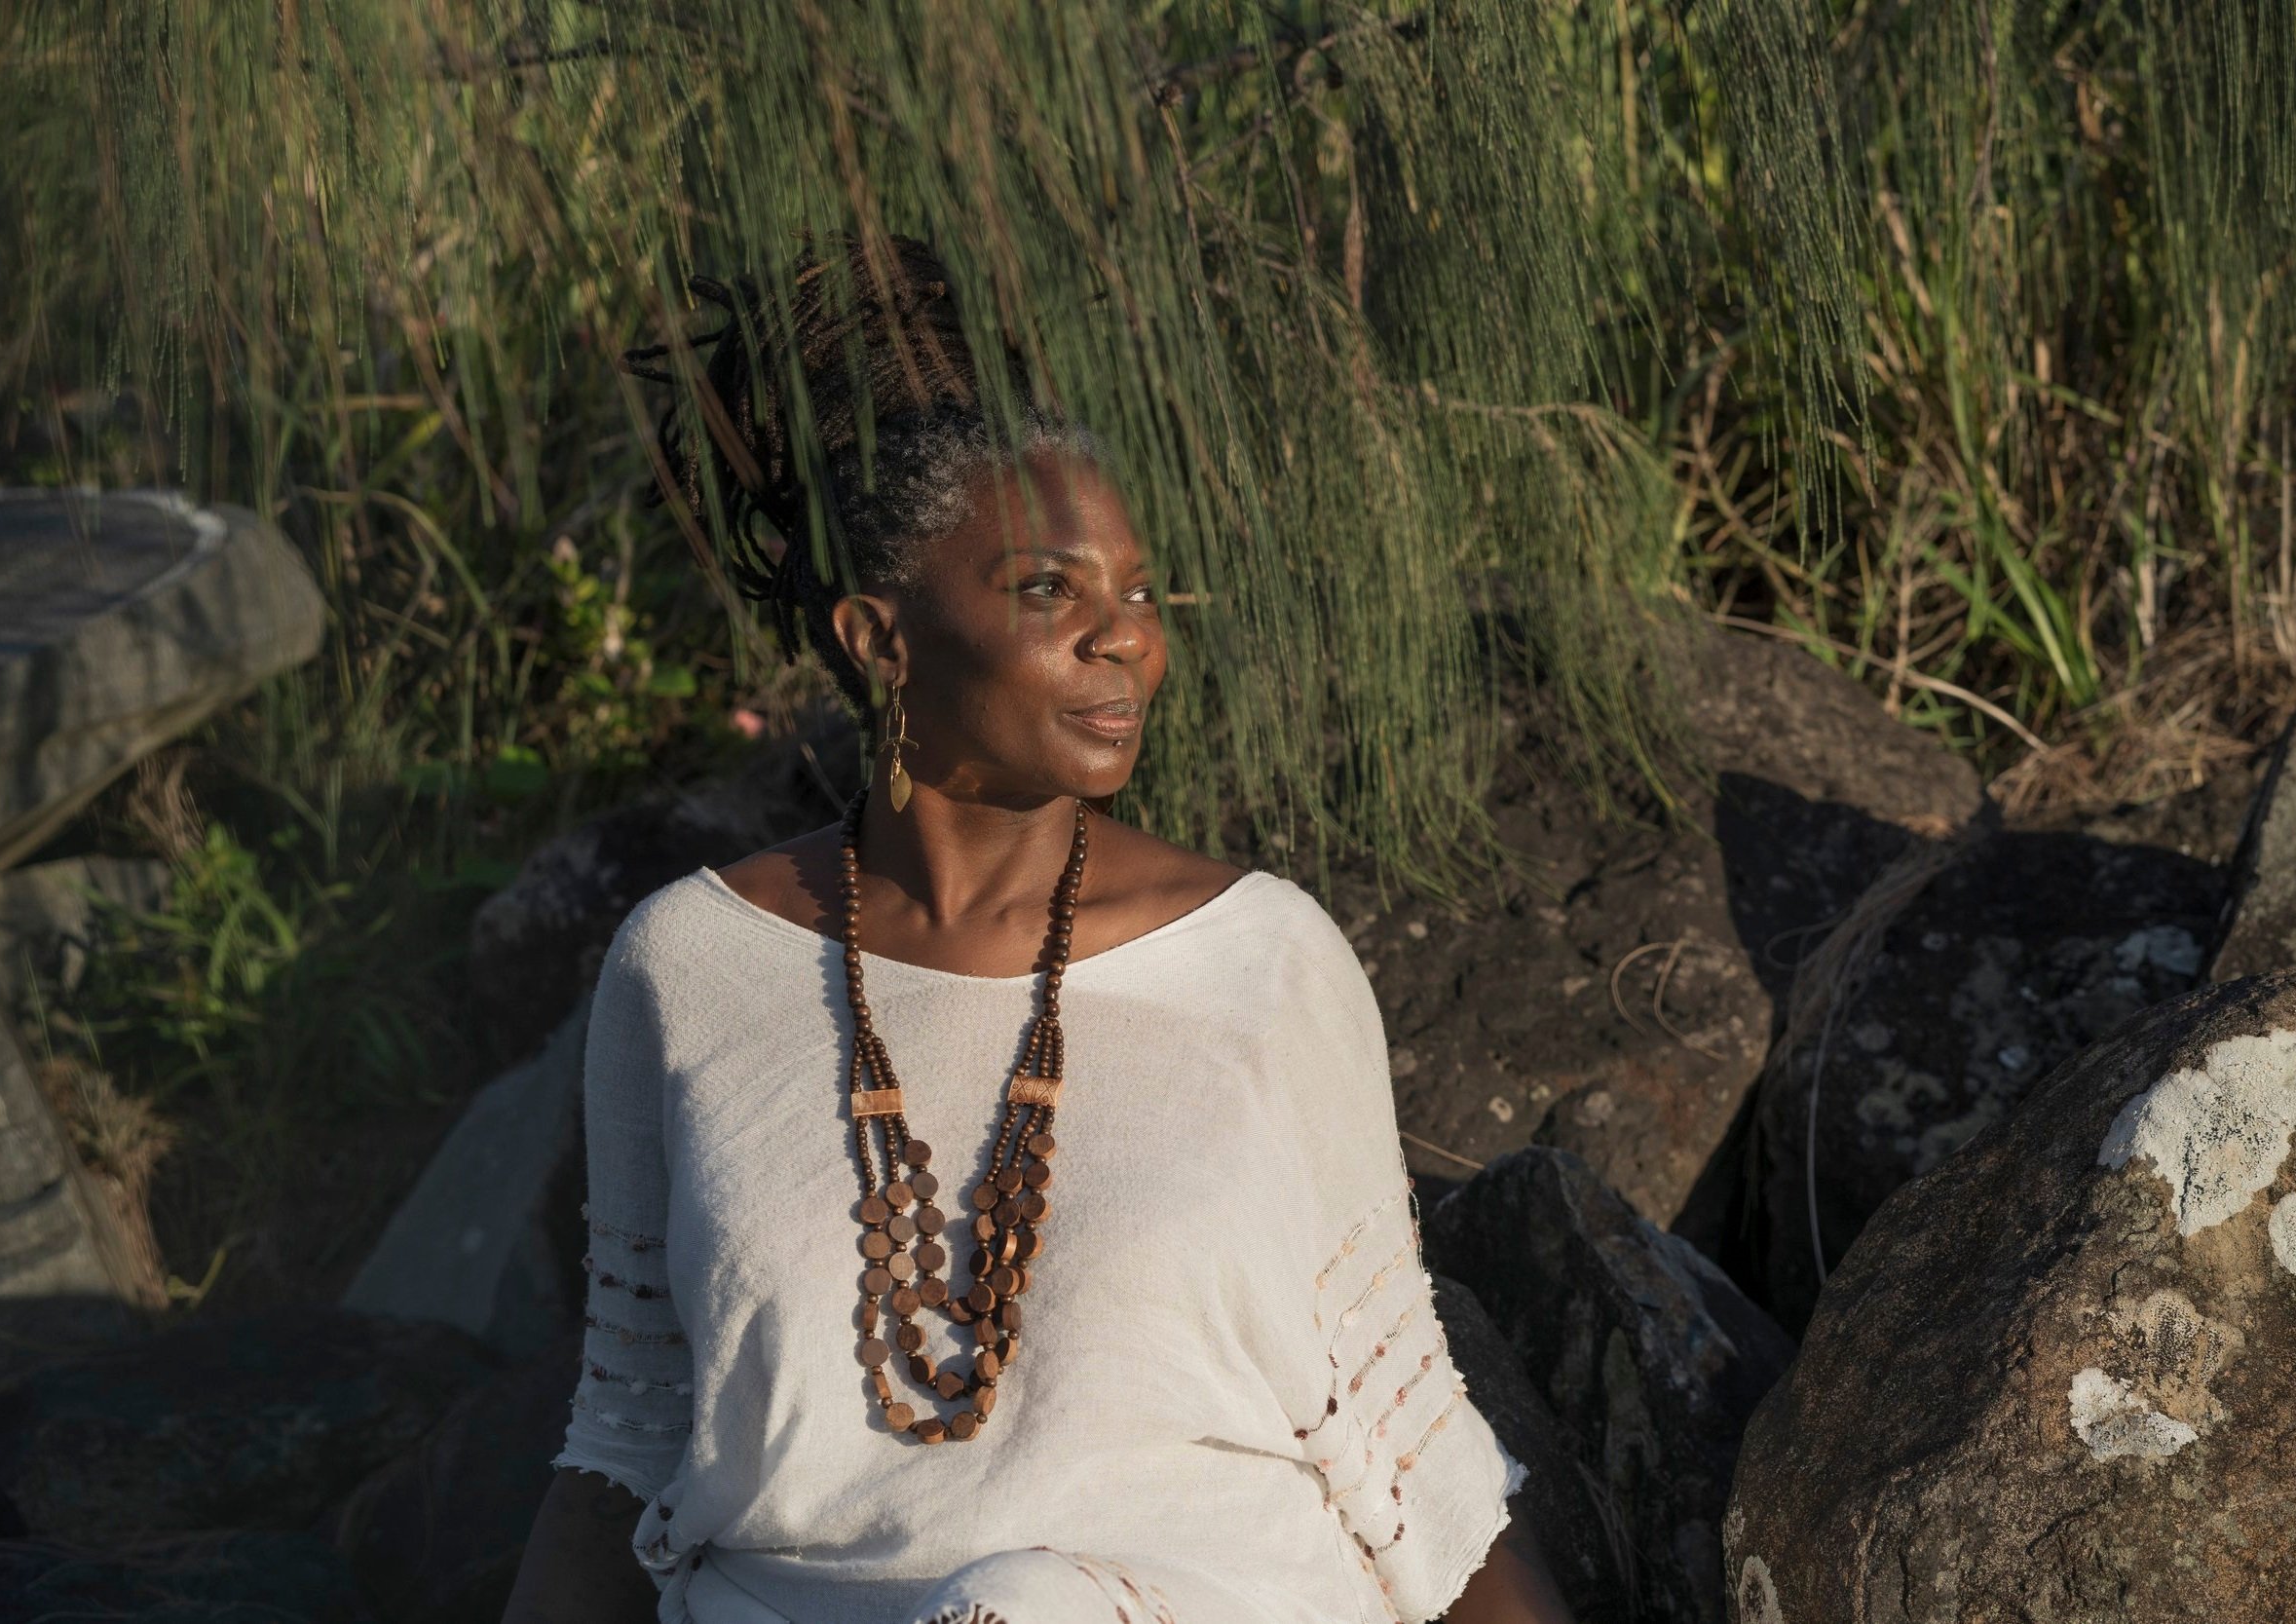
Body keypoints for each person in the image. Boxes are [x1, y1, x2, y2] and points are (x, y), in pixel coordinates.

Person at [502, 237, 1575, 1624]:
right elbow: (632, 1434)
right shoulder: (690, 967)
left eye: (1136, 590)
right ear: (880, 639)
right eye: (1049, 592)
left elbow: (1408, 1444)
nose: (1125, 638)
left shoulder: (1259, 963)